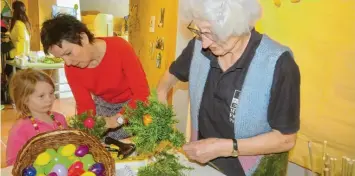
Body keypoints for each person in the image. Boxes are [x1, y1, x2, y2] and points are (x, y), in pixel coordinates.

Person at [157, 0, 300, 175]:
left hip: (253, 171)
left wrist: (224, 147)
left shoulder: (279, 63)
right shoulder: (198, 48)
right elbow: (163, 86)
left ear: (237, 26)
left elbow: (286, 139)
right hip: (202, 168)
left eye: (212, 34)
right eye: (200, 32)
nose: (205, 44)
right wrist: (162, 121)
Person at [40, 14, 150, 140]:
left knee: (142, 134)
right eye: (62, 58)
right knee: (97, 138)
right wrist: (89, 125)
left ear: (83, 38)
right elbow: (85, 106)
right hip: (104, 105)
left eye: (68, 53)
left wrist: (119, 119)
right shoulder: (71, 68)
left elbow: (142, 94)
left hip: (133, 103)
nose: (68, 62)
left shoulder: (120, 47)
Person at [6, 69, 69, 165]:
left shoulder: (59, 118)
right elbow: (12, 163)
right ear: (25, 100)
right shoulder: (19, 130)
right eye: (41, 96)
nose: (49, 99)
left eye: (51, 93)